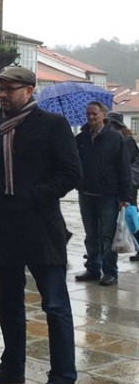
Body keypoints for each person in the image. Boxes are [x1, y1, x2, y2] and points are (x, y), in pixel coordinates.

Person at [0, 66, 81, 384]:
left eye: (11, 88)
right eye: (1, 89)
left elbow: (71, 173)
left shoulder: (51, 125)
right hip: (4, 229)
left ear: (29, 90)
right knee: (7, 302)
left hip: (40, 227)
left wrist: (34, 195)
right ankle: (12, 366)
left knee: (54, 304)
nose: (4, 94)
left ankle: (62, 378)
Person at [74, 102, 131, 286]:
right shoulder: (81, 139)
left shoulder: (116, 139)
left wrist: (125, 197)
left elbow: (124, 169)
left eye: (95, 114)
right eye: (88, 114)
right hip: (86, 193)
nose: (91, 117)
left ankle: (110, 272)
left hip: (109, 194)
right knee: (91, 235)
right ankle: (93, 268)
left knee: (107, 235)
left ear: (103, 115)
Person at [107, 112, 139, 262]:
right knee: (128, 217)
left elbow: (126, 166)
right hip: (124, 185)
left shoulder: (126, 142)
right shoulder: (120, 140)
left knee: (130, 218)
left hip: (128, 186)